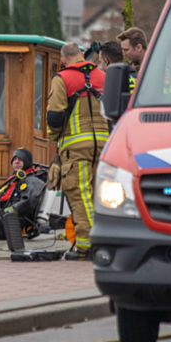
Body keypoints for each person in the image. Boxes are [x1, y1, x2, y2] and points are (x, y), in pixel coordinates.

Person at [46, 42, 109, 261]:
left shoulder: (62, 78)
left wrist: (55, 138)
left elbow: (54, 117)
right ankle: (107, 242)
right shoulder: (103, 76)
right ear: (82, 55)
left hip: (76, 148)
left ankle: (87, 246)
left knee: (80, 195)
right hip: (104, 145)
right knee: (100, 196)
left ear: (63, 60)